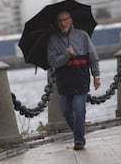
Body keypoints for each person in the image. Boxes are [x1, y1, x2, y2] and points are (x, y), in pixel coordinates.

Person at [47, 10, 101, 150]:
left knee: (79, 108)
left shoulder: (82, 35)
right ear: (56, 23)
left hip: (80, 78)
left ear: (71, 20)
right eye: (60, 20)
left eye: (65, 19)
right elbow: (52, 62)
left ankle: (79, 140)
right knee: (65, 111)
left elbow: (93, 56)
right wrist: (65, 56)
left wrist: (96, 75)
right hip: (64, 81)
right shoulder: (53, 39)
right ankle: (79, 131)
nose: (63, 23)